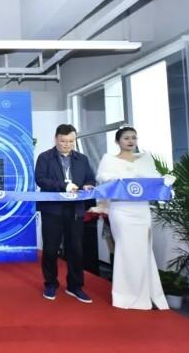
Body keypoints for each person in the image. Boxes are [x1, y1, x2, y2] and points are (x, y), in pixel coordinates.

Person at [96, 126, 170, 310]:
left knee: (144, 251)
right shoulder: (109, 160)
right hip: (121, 209)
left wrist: (166, 181)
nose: (131, 141)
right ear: (118, 141)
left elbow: (154, 181)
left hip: (142, 209)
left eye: (134, 138)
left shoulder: (145, 160)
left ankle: (148, 294)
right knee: (126, 250)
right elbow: (103, 179)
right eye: (126, 138)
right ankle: (125, 296)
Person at [35, 124, 96, 303]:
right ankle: (50, 283)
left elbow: (90, 178)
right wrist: (64, 186)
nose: (67, 144)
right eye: (63, 141)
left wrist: (88, 185)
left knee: (75, 249)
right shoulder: (45, 157)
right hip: (52, 210)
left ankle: (75, 286)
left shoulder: (82, 159)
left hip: (75, 209)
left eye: (71, 141)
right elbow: (40, 180)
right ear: (56, 139)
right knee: (50, 249)